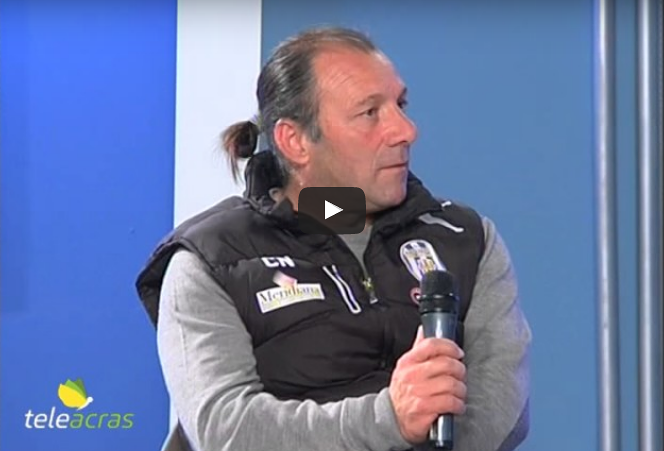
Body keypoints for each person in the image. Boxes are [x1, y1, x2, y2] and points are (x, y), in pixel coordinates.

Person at [135, 26, 531, 451]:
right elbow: (227, 432)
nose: (406, 130)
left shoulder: (464, 238)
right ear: (295, 141)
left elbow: (501, 411)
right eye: (370, 112)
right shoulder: (212, 258)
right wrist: (389, 418)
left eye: (400, 104)